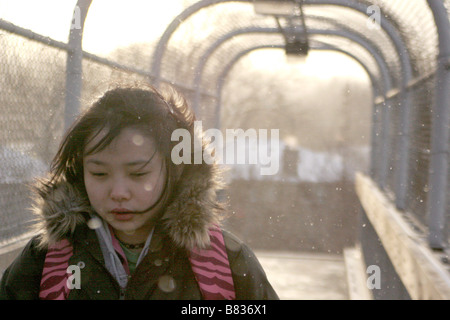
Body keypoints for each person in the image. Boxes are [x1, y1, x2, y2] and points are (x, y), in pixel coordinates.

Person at [0, 84, 278, 300]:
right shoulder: (48, 258)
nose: (118, 192)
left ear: (176, 170)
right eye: (98, 173)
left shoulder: (225, 262)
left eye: (138, 174)